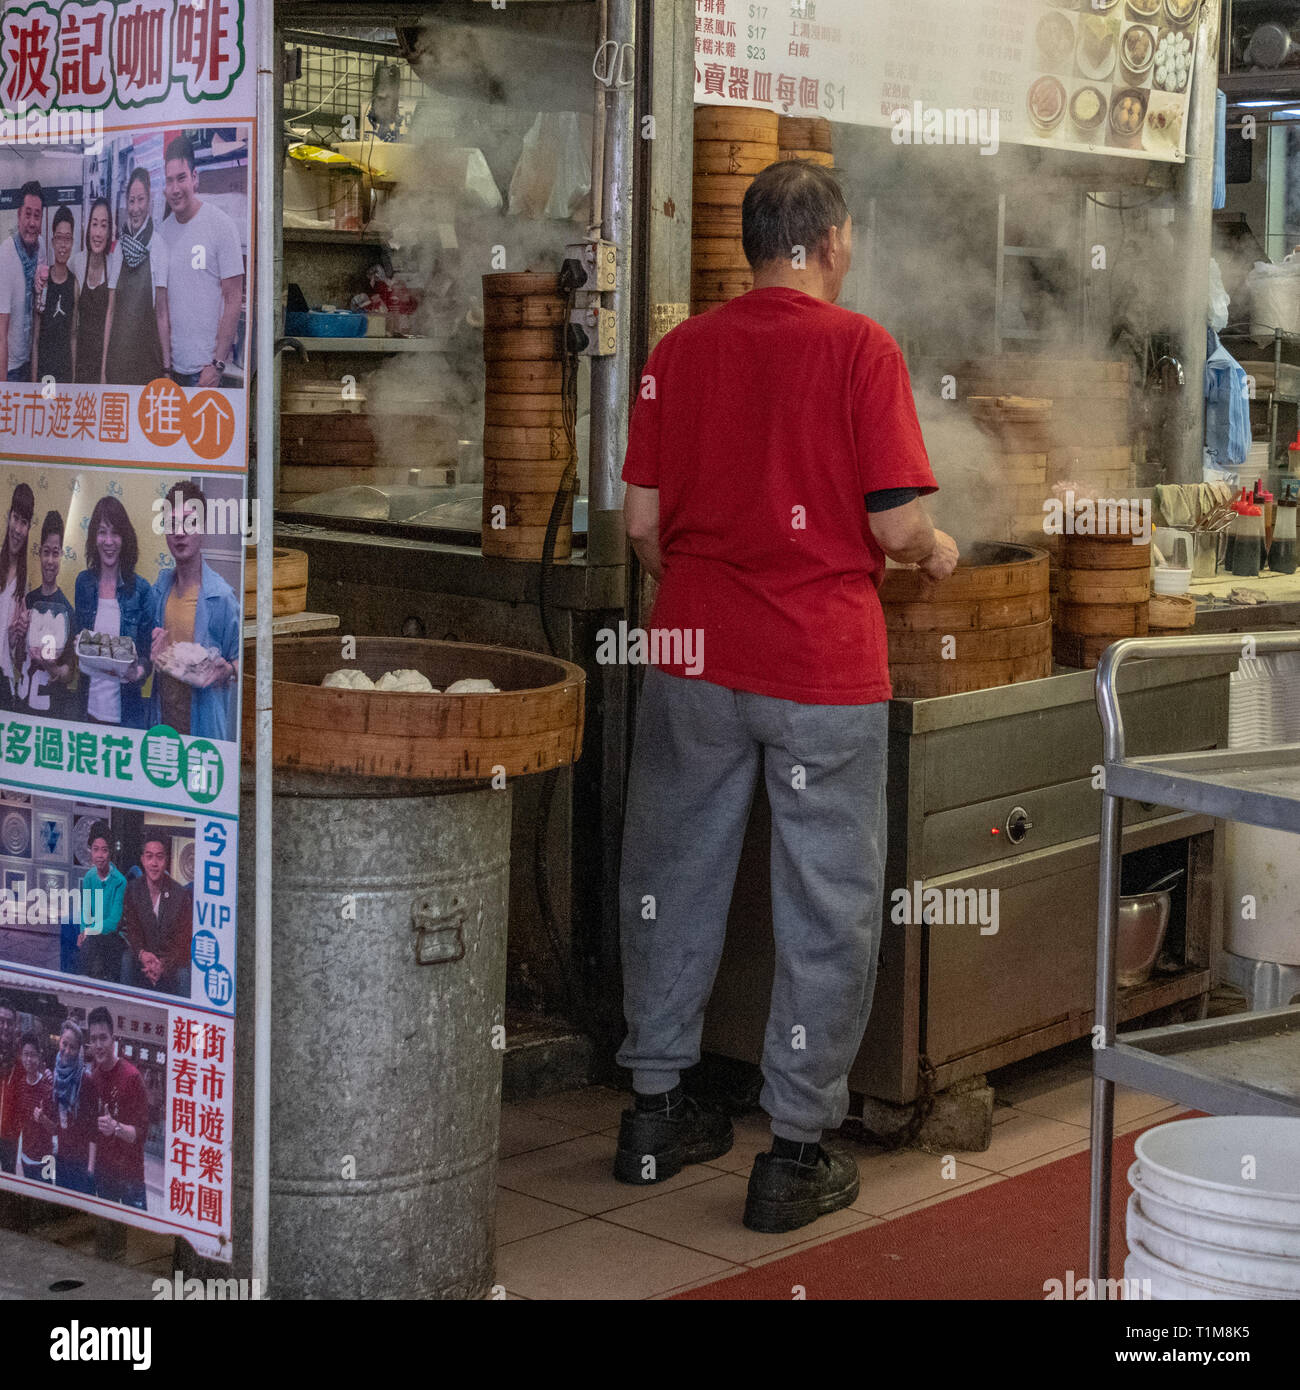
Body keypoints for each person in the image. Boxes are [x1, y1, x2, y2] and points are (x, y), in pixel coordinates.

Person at [613, 160, 959, 1234]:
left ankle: (656, 1112)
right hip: (819, 669)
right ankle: (793, 1154)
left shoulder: (681, 352)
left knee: (669, 876)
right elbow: (899, 527)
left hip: (694, 656)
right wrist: (940, 549)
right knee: (823, 906)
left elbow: (637, 521)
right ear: (835, 242)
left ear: (752, 246)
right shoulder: (862, 347)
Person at [150, 479, 240, 738]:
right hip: (162, 721)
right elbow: (157, 654)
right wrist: (153, 650)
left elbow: (241, 658)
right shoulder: (160, 589)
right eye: (172, 524)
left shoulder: (221, 597)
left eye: (189, 522)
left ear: (203, 527)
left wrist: (228, 670)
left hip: (203, 728)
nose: (180, 532)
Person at [159, 136, 244, 387]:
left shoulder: (221, 225)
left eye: (181, 178)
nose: (175, 189)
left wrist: (217, 365)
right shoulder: (161, 235)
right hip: (172, 372)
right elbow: (161, 308)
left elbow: (233, 298)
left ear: (195, 177)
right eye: (169, 180)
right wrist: (165, 369)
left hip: (206, 374)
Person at [73, 495, 153, 727]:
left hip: (126, 715)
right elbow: (80, 642)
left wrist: (137, 672)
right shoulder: (84, 583)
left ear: (124, 539)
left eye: (115, 533)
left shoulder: (141, 590)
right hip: (85, 711)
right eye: (102, 532)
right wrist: (77, 643)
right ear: (93, 538)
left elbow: (148, 657)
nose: (109, 541)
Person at [106, 167, 170, 385]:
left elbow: (161, 313)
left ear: (149, 199)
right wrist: (104, 365)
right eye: (131, 201)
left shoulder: (159, 247)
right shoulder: (119, 248)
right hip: (118, 360)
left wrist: (167, 368)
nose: (135, 208)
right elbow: (111, 310)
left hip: (147, 362)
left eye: (140, 200)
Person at [17, 509, 77, 722]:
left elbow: (68, 674)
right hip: (22, 705)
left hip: (51, 714)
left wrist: (52, 666)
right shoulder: (27, 600)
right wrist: (18, 634)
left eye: (55, 552)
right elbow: (18, 660)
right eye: (46, 552)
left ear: (62, 555)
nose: (50, 560)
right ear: (39, 553)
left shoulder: (68, 611)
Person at [86, 1006, 148, 1210]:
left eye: (103, 1038)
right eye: (93, 1039)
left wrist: (116, 1127)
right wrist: (91, 1169)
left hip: (130, 1177)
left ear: (113, 1038)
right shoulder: (92, 1078)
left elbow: (139, 1135)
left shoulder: (132, 1077)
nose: (98, 1045)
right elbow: (93, 1134)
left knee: (137, 1234)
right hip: (104, 1177)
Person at [121, 836, 193, 997]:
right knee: (127, 959)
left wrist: (163, 965)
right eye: (149, 856)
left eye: (159, 857)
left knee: (184, 973)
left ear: (166, 860)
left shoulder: (180, 894)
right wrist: (142, 954)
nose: (154, 863)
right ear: (142, 860)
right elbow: (132, 930)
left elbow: (183, 942)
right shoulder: (133, 889)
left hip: (170, 961)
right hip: (144, 957)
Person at [41, 1020, 98, 1195]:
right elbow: (55, 1119)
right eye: (64, 1044)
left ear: (79, 1050)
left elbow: (93, 1129)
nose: (66, 1050)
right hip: (60, 1157)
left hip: (80, 1164)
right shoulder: (55, 1074)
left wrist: (90, 1168)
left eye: (72, 1047)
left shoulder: (86, 1081)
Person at [0, 180, 43, 381]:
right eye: (28, 214)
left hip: (32, 360)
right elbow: (1, 329)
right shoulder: (6, 255)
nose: (32, 223)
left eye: (37, 215)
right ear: (18, 215)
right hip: (11, 368)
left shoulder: (42, 248)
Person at [72, 197, 115, 384]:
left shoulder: (114, 265)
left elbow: (111, 319)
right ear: (88, 228)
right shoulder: (77, 263)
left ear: (109, 231)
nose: (98, 233)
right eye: (94, 224)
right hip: (80, 361)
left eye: (103, 226)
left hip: (105, 362)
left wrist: (104, 374)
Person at [31, 205, 77, 385]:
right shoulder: (42, 282)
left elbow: (73, 336)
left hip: (65, 375)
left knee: (64, 413)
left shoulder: (74, 285)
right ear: (52, 242)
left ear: (72, 242)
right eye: (59, 238)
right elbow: (35, 340)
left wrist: (72, 381)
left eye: (67, 239)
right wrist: (34, 383)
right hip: (45, 377)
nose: (63, 245)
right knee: (48, 412)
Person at [78, 821, 127, 983]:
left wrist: (88, 931)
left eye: (104, 850)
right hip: (93, 936)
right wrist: (83, 931)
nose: (99, 855)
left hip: (113, 937)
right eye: (95, 849)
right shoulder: (89, 878)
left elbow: (113, 922)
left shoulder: (120, 881)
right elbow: (86, 912)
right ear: (90, 851)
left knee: (92, 947)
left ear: (110, 852)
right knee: (88, 947)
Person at [0, 483, 34, 712]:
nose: (18, 529)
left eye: (24, 522)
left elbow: (17, 654)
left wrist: (15, 637)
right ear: (8, 518)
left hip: (4, 683)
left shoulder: (26, 583)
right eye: (16, 518)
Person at [6, 1033, 54, 1182]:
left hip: (45, 1160)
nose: (28, 1060)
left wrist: (43, 1119)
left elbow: (55, 1129)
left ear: (39, 1057)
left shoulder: (48, 1088)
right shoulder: (20, 1085)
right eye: (25, 1055)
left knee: (45, 1200)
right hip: (25, 1158)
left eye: (32, 1055)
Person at [0, 1000, 19, 1171]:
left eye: (9, 1022)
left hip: (9, 1138)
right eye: (1, 1021)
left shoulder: (21, 1057)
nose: (5, 1026)